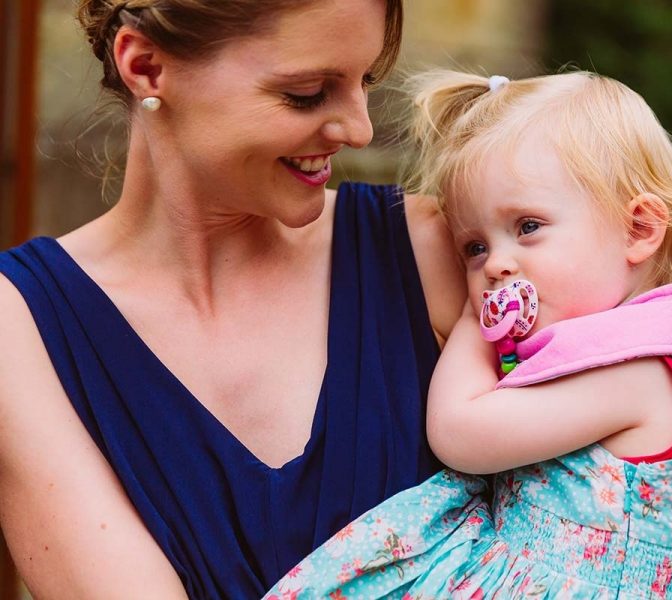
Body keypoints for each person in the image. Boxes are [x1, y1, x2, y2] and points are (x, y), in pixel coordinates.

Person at [0, 1, 468, 598]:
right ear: (145, 67)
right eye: (307, 92)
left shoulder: (431, 250)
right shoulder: (20, 324)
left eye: (364, 80)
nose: (360, 129)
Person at [263, 70, 672, 599]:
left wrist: (480, 325)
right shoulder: (626, 351)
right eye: (474, 248)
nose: (497, 264)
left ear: (637, 230)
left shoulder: (639, 372)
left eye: (527, 227)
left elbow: (458, 433)